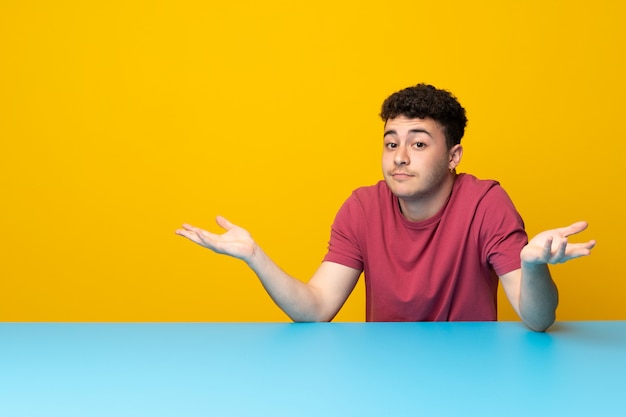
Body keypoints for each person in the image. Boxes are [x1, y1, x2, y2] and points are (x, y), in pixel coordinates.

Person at [176, 83, 595, 331]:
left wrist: (534, 267)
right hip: (383, 373)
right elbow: (317, 307)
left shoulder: (486, 202)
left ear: (453, 156)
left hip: (472, 374)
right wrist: (255, 256)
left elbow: (537, 319)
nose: (399, 156)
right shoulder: (362, 207)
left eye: (418, 143)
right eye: (391, 142)